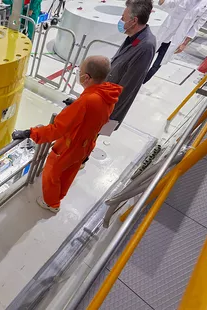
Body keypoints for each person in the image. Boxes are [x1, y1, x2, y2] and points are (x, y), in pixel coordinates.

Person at [12, 56, 122, 212]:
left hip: (71, 146)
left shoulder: (86, 102)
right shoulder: (108, 94)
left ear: (86, 77)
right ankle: (59, 196)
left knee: (52, 172)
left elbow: (57, 129)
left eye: (80, 71)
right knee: (69, 174)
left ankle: (52, 203)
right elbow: (94, 114)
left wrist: (30, 133)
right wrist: (77, 105)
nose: (78, 73)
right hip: (87, 144)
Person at [108, 0, 156, 126]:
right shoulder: (134, 37)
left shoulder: (145, 47)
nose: (121, 20)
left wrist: (107, 114)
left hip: (108, 108)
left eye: (123, 18)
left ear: (134, 21)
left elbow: (128, 86)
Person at [144, 0, 207, 83]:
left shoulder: (205, 5)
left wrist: (184, 43)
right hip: (164, 33)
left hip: (176, 39)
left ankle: (141, 82)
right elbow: (169, 3)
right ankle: (133, 77)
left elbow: (196, 26)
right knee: (145, 57)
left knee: (157, 64)